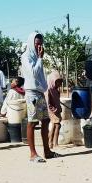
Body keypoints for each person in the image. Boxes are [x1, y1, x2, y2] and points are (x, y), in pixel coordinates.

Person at [21, 32, 57, 162]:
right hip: (32, 93)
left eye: (41, 44)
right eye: (37, 44)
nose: (40, 47)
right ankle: (33, 154)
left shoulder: (36, 56)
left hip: (40, 92)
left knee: (46, 121)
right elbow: (34, 73)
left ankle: (47, 151)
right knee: (32, 122)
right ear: (32, 43)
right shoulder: (26, 57)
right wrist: (40, 58)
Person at [46, 71, 63, 149]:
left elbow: (57, 100)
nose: (60, 84)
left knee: (55, 125)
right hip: (52, 111)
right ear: (53, 81)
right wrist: (54, 109)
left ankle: (51, 143)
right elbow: (48, 103)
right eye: (58, 82)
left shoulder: (56, 90)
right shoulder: (49, 90)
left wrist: (59, 108)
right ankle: (54, 143)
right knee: (57, 125)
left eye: (60, 82)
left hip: (57, 110)